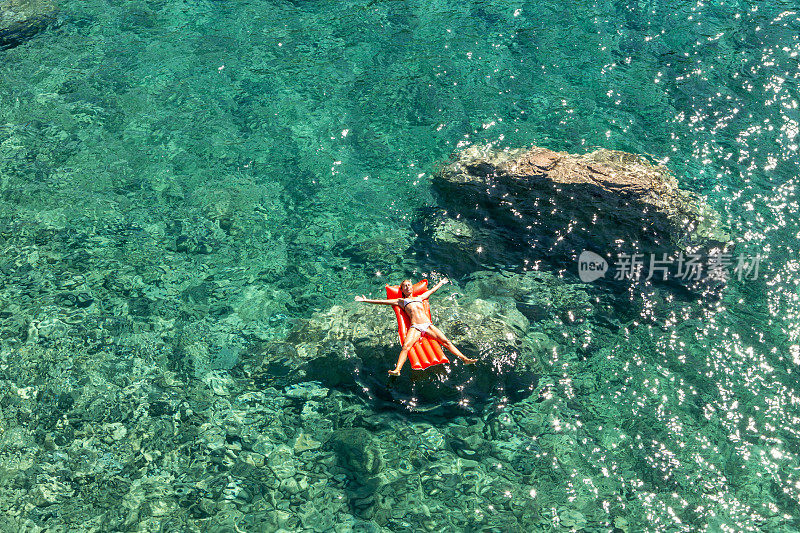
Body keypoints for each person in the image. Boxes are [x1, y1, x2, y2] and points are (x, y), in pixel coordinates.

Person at [355, 278, 477, 375]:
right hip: (415, 327)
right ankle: (397, 370)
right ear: (402, 290)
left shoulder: (420, 297)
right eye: (404, 286)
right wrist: (365, 300)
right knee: (406, 347)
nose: (407, 287)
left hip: (428, 325)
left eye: (409, 285)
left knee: (446, 341)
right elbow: (383, 302)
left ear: (412, 287)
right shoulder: (401, 301)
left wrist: (441, 283)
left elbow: (431, 291)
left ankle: (464, 359)